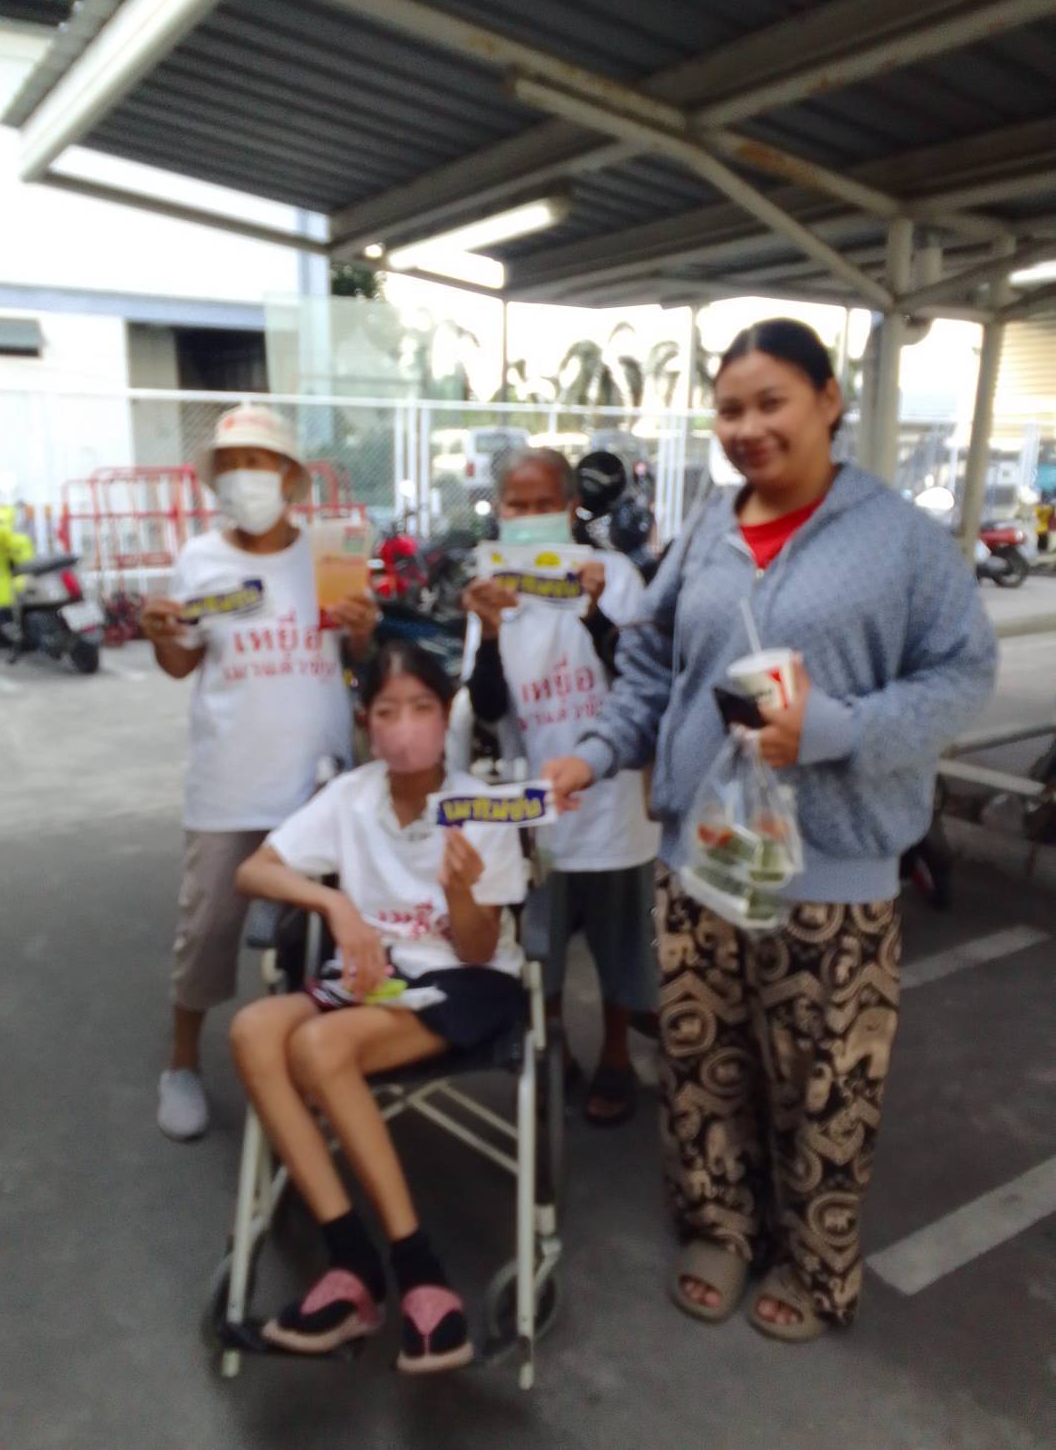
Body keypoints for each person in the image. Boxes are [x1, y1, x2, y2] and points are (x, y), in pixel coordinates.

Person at [544, 319, 998, 1340]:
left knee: (822, 1080)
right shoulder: (709, 525)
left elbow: (961, 674)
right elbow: (652, 659)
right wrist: (598, 749)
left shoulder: (899, 539)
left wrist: (835, 728)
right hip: (699, 856)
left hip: (831, 868)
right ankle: (719, 1223)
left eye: (771, 402)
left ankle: (813, 1257)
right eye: (729, 409)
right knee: (702, 1058)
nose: (747, 427)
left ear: (829, 400)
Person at [229, 643, 527, 1372]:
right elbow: (253, 870)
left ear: (446, 715)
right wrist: (335, 904)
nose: (405, 727)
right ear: (365, 722)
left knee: (318, 1047)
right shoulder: (351, 797)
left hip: (464, 979)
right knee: (253, 1029)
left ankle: (420, 1271)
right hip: (372, 976)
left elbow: (479, 947)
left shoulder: (482, 807)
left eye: (422, 708)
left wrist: (460, 889)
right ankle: (351, 1262)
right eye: (387, 711)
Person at [141, 404, 377, 1142]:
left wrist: (365, 634)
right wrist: (161, 634)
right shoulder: (199, 559)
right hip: (229, 783)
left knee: (325, 934)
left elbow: (358, 662)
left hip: (320, 782)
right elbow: (181, 663)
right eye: (232, 465)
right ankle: (182, 1062)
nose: (245, 477)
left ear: (290, 478)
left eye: (259, 462)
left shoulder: (331, 554)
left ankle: (314, 1064)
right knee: (208, 926)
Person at [463, 448, 660, 1126]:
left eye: (544, 503)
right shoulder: (492, 585)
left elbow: (640, 677)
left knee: (619, 942)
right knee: (540, 944)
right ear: (499, 510)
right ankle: (555, 1050)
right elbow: (487, 705)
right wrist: (490, 632)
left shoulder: (617, 576)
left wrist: (598, 609)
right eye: (516, 505)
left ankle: (616, 1053)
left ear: (572, 507)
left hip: (613, 799)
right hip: (537, 798)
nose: (529, 516)